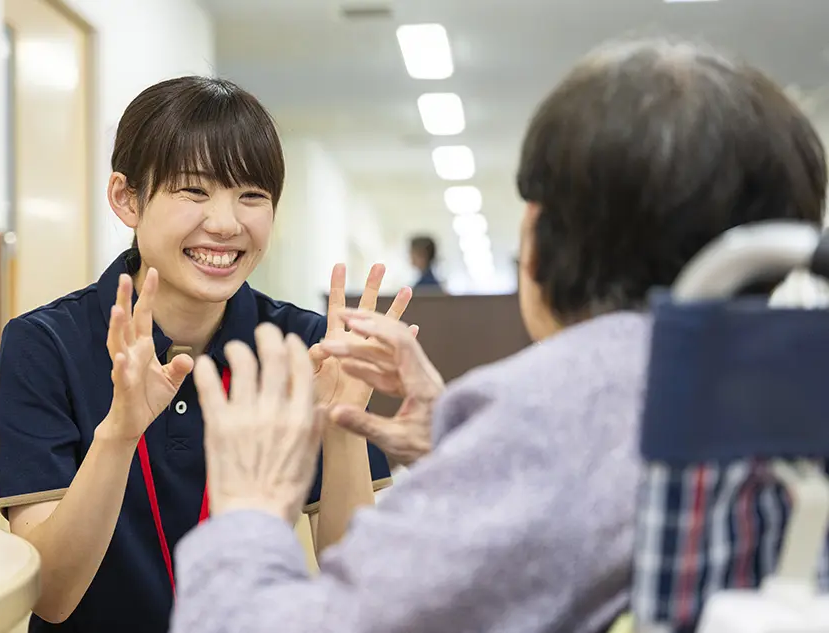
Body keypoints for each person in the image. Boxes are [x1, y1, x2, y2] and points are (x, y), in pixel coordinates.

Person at [167, 38, 827, 633]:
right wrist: (464, 444)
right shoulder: (786, 395)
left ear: (536, 238)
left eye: (250, 195)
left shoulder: (552, 418)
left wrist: (249, 508)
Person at [0, 76, 408, 632]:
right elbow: (52, 597)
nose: (226, 223)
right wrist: (118, 433)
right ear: (127, 198)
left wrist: (343, 427)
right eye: (194, 191)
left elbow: (358, 588)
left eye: (252, 196)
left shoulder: (304, 347)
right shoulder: (45, 344)